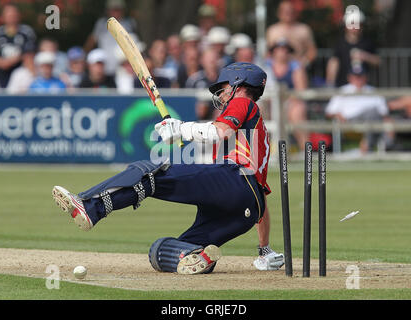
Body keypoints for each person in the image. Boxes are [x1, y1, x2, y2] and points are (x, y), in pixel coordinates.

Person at [51, 62, 284, 275]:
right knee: (163, 251)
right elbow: (259, 198)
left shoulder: (243, 102)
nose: (221, 95)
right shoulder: (254, 133)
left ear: (238, 84)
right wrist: (264, 250)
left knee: (151, 172)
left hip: (234, 180)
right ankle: (201, 257)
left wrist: (180, 128)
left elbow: (219, 131)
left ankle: (90, 207)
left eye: (223, 88)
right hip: (245, 210)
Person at [325, 65, 389, 153]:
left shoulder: (374, 91)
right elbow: (329, 111)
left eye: (360, 76)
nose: (358, 79)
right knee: (373, 112)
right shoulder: (342, 91)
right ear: (349, 77)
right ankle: (368, 147)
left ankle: (369, 145)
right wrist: (337, 114)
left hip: (372, 121)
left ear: (366, 77)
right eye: (355, 76)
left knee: (376, 116)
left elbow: (384, 112)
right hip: (348, 121)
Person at [267, 39, 308, 150]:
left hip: (290, 101)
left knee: (297, 112)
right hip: (269, 102)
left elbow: (300, 90)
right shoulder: (265, 66)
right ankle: (258, 152)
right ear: (273, 51)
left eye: (286, 50)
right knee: (258, 111)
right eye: (279, 49)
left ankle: (306, 151)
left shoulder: (295, 66)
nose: (282, 52)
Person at [326, 8, 380, 88]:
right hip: (343, 86)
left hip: (364, 86)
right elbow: (334, 63)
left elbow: (378, 61)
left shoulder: (368, 42)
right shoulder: (339, 43)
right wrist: (330, 83)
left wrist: (365, 56)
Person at [0, 3, 36, 88]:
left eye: (14, 14)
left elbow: (29, 54)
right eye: (9, 14)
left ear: (19, 15)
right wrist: (0, 62)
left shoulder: (27, 32)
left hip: (20, 71)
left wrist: (9, 62)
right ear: (3, 17)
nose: (11, 17)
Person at [84, 0, 137, 76]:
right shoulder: (101, 23)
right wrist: (85, 56)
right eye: (113, 9)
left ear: (123, 10)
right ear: (108, 10)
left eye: (118, 9)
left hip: (123, 69)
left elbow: (134, 44)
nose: (115, 12)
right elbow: (92, 40)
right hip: (104, 68)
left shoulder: (129, 23)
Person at [266, 0, 317, 69]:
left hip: (298, 70)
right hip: (277, 70)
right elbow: (269, 52)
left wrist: (304, 63)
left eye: (290, 10)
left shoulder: (304, 29)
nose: (288, 13)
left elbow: (312, 51)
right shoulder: (272, 30)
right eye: (285, 11)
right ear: (279, 13)